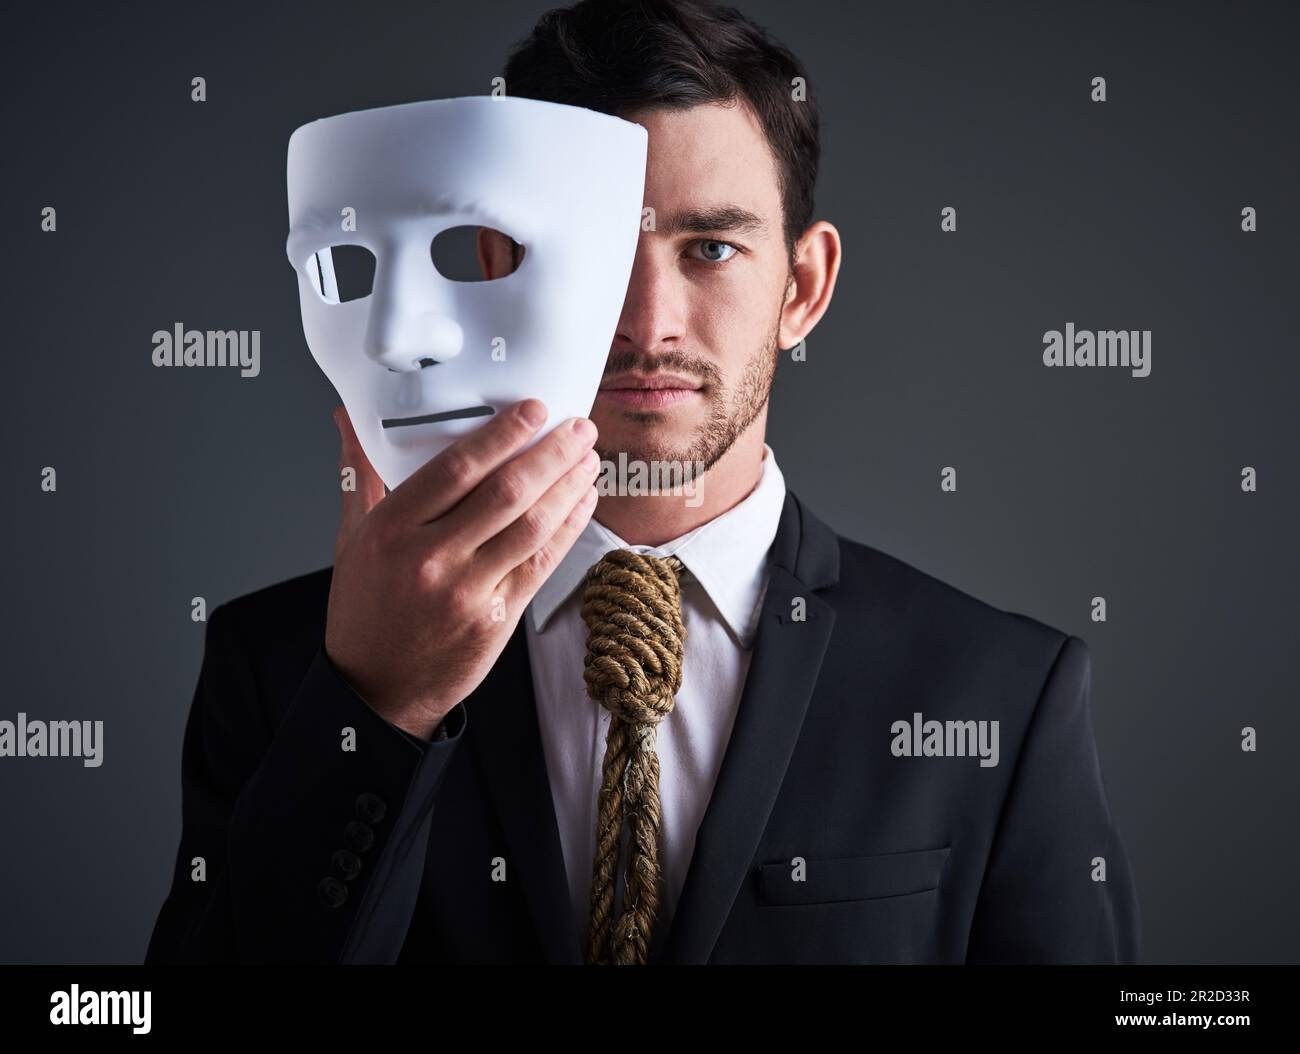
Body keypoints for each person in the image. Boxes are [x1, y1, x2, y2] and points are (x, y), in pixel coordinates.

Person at [146, 0, 1139, 964]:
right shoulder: (286, 667)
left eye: (710, 248)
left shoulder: (997, 690)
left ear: (802, 288)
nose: (648, 319)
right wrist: (378, 710)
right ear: (494, 260)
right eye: (595, 248)